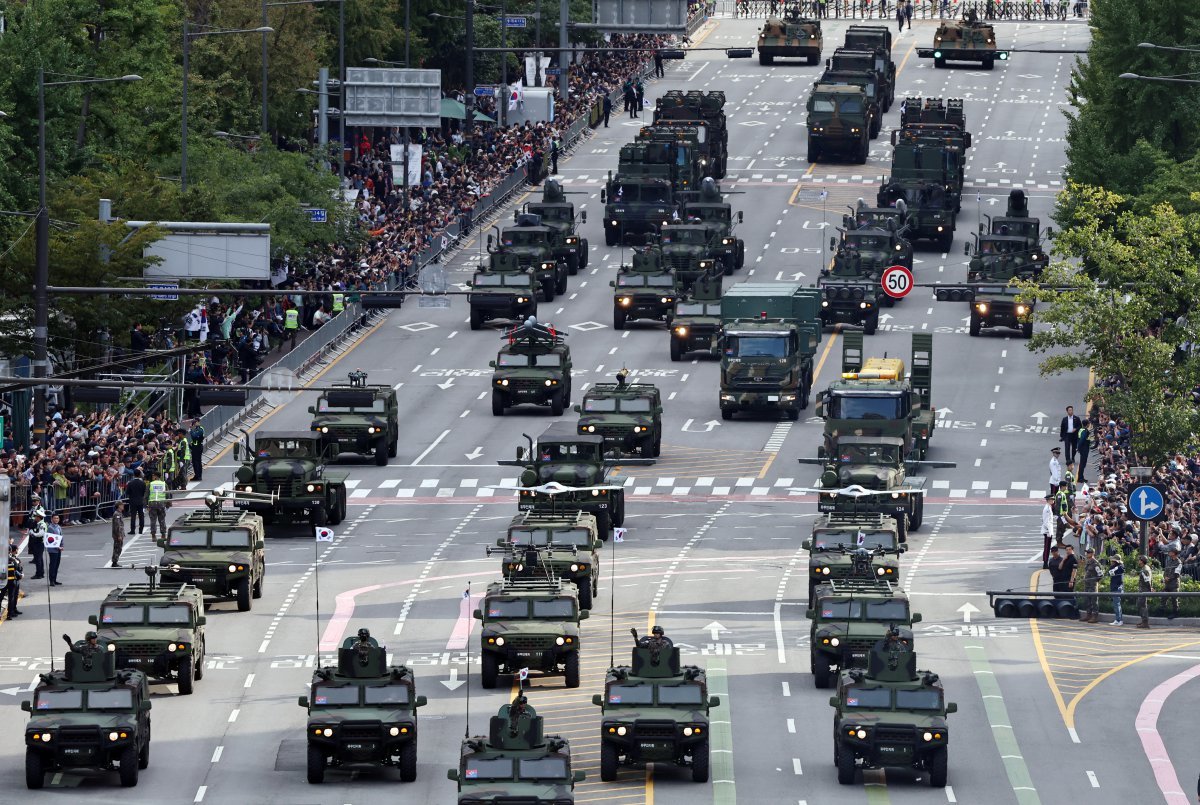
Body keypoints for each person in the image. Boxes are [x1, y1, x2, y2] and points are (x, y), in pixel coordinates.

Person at [1080, 547, 1101, 623]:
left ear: (1092, 554)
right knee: (1087, 600)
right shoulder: (1088, 562)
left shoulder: (1095, 563)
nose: (1087, 554)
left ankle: (1095, 616)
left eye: (1088, 553)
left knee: (1094, 601)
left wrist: (1094, 581)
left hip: (1093, 586)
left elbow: (1100, 575)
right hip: (1087, 585)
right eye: (1087, 552)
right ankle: (1088, 615)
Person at [148, 470, 169, 539]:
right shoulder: (164, 484)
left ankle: (153, 536)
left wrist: (145, 506)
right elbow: (168, 495)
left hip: (152, 504)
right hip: (161, 503)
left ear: (155, 476)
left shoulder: (150, 484)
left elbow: (146, 495)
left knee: (153, 520)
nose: (152, 477)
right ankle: (163, 535)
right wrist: (168, 504)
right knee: (162, 519)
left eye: (153, 476)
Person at [4, 542, 23, 618]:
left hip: (5, 581)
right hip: (12, 581)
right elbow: (16, 569)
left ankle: (12, 610)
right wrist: (20, 575)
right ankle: (10, 613)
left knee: (12, 597)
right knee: (11, 597)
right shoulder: (13, 560)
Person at [27, 508, 46, 580]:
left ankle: (38, 574)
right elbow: (31, 529)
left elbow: (40, 534)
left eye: (36, 516)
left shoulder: (42, 524)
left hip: (39, 543)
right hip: (36, 543)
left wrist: (33, 533)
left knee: (38, 559)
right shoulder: (37, 523)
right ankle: (41, 573)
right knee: (39, 559)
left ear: (39, 517)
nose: (35, 518)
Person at [126, 469, 146, 535]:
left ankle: (132, 530)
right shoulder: (143, 483)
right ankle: (141, 530)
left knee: (133, 516)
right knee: (141, 515)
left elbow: (127, 492)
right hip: (140, 500)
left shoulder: (130, 483)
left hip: (133, 500)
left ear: (134, 474)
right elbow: (143, 492)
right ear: (139, 474)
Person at [1164, 546, 1181, 619]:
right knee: (1163, 597)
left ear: (1174, 553)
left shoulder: (1178, 562)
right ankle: (1162, 611)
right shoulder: (1169, 561)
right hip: (1167, 583)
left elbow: (1177, 574)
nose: (1169, 553)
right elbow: (1165, 570)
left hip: (1174, 584)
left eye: (1170, 552)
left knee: (1174, 599)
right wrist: (1165, 577)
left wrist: (1169, 578)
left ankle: (1175, 612)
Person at [1107, 552, 1125, 625]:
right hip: (1113, 587)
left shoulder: (1120, 567)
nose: (1111, 562)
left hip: (1118, 587)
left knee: (1117, 604)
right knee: (1116, 604)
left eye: (1113, 561)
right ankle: (1118, 619)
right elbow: (1109, 573)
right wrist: (1113, 568)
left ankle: (1119, 620)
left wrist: (1116, 567)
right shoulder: (1113, 567)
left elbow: (1122, 568)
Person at [46, 514, 63, 586]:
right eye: (55, 518)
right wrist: (58, 547)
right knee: (52, 565)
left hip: (59, 548)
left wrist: (62, 546)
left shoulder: (58, 527)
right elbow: (51, 539)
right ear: (52, 519)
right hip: (53, 549)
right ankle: (51, 580)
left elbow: (61, 537)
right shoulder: (50, 528)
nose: (56, 519)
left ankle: (55, 579)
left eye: (57, 518)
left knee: (57, 565)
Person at [1136, 554, 1152, 628]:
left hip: (1144, 590)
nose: (1138, 561)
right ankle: (1144, 621)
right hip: (1143, 589)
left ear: (1142, 561)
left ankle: (1145, 622)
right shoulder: (1145, 568)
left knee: (1141, 605)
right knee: (1141, 605)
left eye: (1139, 560)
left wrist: (1150, 589)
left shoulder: (1145, 570)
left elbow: (1147, 580)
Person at [1041, 493, 1054, 569]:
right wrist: (1049, 531)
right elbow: (1046, 521)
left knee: (1047, 547)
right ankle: (1045, 563)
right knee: (1047, 547)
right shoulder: (1047, 509)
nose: (1053, 501)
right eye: (1052, 499)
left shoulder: (1049, 507)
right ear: (1048, 500)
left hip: (1048, 530)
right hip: (1047, 531)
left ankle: (1046, 562)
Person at [111, 501, 126, 568]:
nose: (123, 506)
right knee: (117, 548)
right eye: (122, 505)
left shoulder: (119, 513)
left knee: (119, 548)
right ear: (119, 506)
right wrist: (119, 535)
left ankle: (115, 561)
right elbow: (117, 526)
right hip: (117, 534)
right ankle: (114, 562)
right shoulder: (117, 514)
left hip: (120, 534)